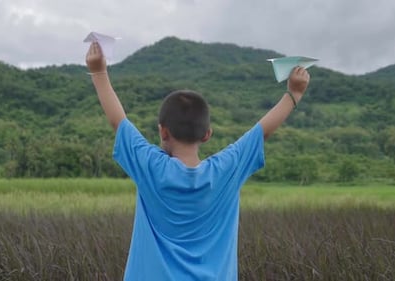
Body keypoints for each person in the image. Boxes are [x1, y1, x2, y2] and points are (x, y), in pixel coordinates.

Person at [86, 42, 310, 280]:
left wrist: (99, 71)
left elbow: (118, 121)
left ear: (163, 132)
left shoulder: (151, 167)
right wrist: (293, 94)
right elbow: (261, 131)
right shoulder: (226, 170)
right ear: (207, 135)